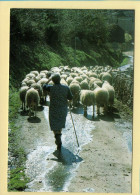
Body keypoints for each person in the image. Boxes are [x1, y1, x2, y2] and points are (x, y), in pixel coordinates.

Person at [43, 73, 73, 150]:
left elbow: (43, 86)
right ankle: (59, 136)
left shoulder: (50, 88)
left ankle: (57, 137)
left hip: (53, 109)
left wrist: (49, 80)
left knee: (54, 123)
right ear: (60, 80)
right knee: (60, 123)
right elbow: (70, 97)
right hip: (63, 109)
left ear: (53, 81)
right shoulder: (66, 88)